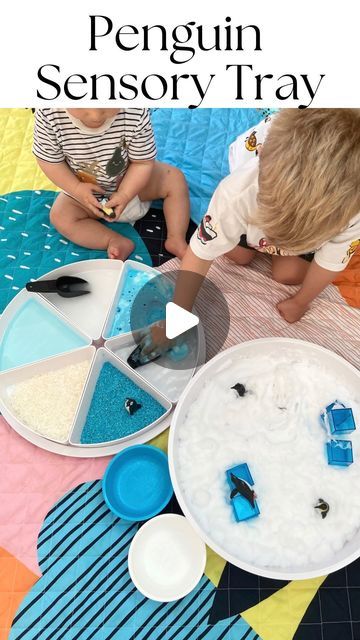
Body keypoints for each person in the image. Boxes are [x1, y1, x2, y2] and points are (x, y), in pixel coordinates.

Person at [174, 108, 360, 324]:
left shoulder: (352, 211)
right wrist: (178, 316)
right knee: (237, 254)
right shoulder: (237, 192)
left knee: (288, 274)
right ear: (261, 157)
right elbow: (201, 252)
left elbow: (330, 262)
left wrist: (301, 302)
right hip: (258, 171)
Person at [33, 108, 189, 260]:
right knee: (60, 216)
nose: (95, 115)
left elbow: (142, 163)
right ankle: (113, 240)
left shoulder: (134, 108)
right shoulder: (48, 114)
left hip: (134, 186)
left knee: (174, 178)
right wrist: (76, 188)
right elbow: (50, 162)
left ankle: (176, 239)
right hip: (86, 197)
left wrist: (125, 193)